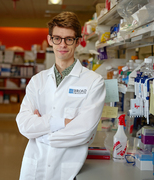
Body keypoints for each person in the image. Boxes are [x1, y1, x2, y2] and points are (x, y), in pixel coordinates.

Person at [16, 11, 106, 180]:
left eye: (69, 39)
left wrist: (40, 133)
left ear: (78, 41)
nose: (62, 44)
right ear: (50, 40)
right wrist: (61, 123)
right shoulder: (37, 81)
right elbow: (24, 125)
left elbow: (83, 132)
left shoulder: (94, 82)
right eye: (57, 38)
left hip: (67, 171)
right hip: (33, 168)